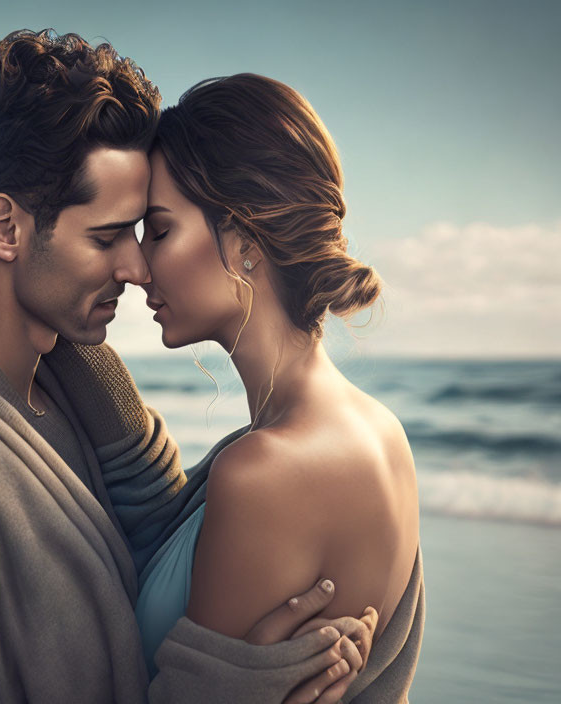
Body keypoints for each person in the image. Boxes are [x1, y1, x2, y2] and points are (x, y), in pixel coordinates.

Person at [0, 31, 376, 703]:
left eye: (143, 231)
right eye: (106, 237)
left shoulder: (55, 386)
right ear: (5, 229)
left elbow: (141, 559)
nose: (136, 266)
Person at [128, 73, 424, 700]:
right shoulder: (382, 433)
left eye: (157, 230)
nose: (135, 267)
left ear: (242, 243)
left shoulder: (262, 472)